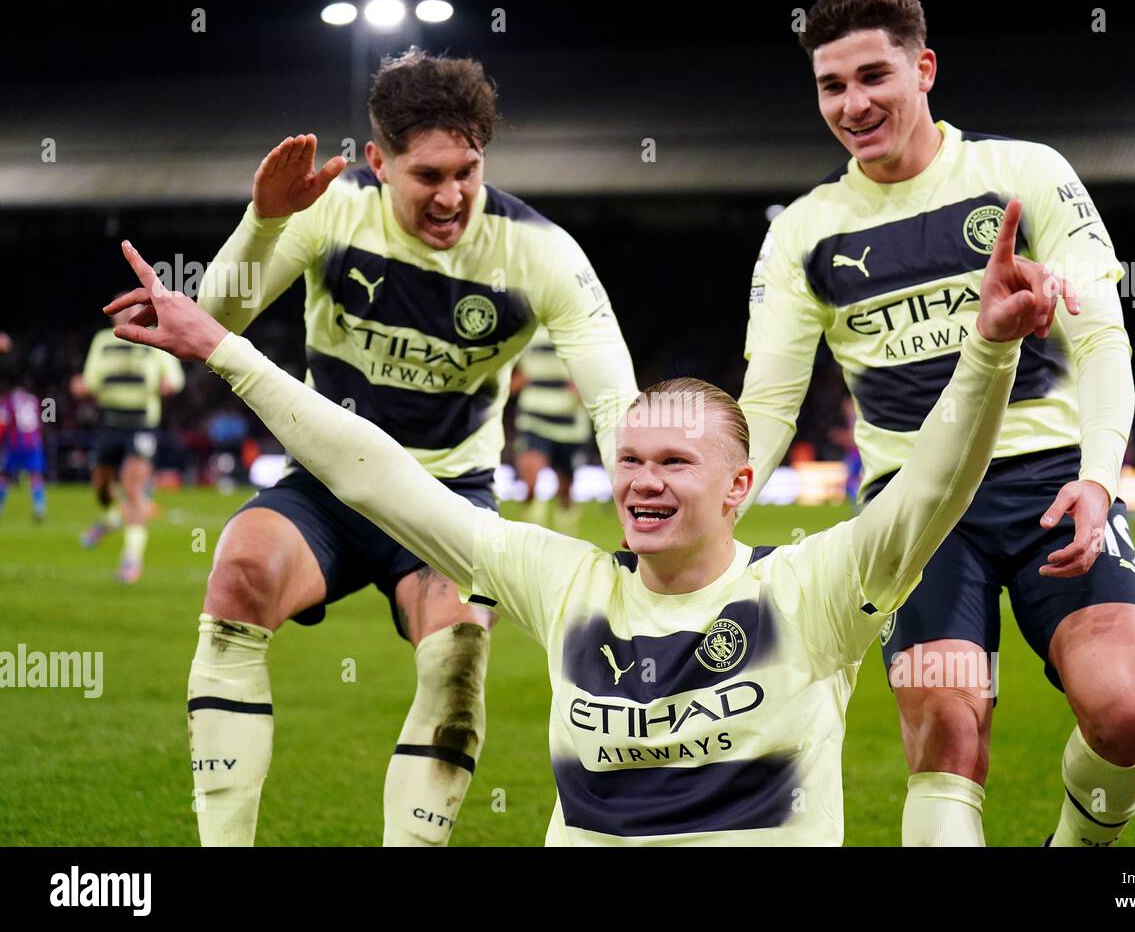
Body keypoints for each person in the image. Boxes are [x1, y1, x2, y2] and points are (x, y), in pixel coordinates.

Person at [110, 195, 1073, 844]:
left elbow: (935, 486)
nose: (643, 485)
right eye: (633, 462)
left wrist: (986, 349)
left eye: (675, 465)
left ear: (739, 487)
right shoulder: (565, 582)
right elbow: (376, 473)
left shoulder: (816, 589)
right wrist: (225, 349)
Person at [738, 0, 1135, 846]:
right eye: (831, 86)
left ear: (923, 68)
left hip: (1053, 488)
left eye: (873, 76)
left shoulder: (1024, 173)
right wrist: (715, 515)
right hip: (916, 509)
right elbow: (769, 405)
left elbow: (1102, 342)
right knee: (948, 734)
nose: (853, 105)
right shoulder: (805, 232)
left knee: (1123, 714)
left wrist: (1097, 479)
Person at [187, 49, 636, 846]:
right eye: (427, 175)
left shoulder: (539, 252)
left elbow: (612, 398)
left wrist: (644, 503)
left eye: (467, 170)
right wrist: (265, 219)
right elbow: (215, 321)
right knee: (240, 570)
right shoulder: (329, 212)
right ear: (377, 161)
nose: (452, 195)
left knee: (459, 661)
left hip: (449, 498)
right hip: (327, 487)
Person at [72, 307, 185, 582]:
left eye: (131, 311)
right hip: (110, 423)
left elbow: (176, 377)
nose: (125, 316)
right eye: (120, 311)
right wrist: (83, 386)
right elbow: (91, 379)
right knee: (101, 487)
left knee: (134, 489)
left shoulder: (153, 339)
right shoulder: (103, 341)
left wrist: (169, 384)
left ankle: (131, 559)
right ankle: (112, 518)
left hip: (141, 425)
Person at [510, 325, 591, 533]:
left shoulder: (578, 332)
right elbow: (519, 373)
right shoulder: (527, 334)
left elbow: (594, 375)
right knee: (530, 477)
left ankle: (566, 523)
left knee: (565, 490)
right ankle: (530, 532)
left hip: (568, 425)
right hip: (533, 418)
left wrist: (586, 388)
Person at [0, 382, 48, 522]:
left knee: (5, 476)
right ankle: (40, 508)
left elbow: (3, 423)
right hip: (34, 443)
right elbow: (41, 421)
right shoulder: (33, 399)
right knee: (35, 476)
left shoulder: (8, 401)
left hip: (16, 442)